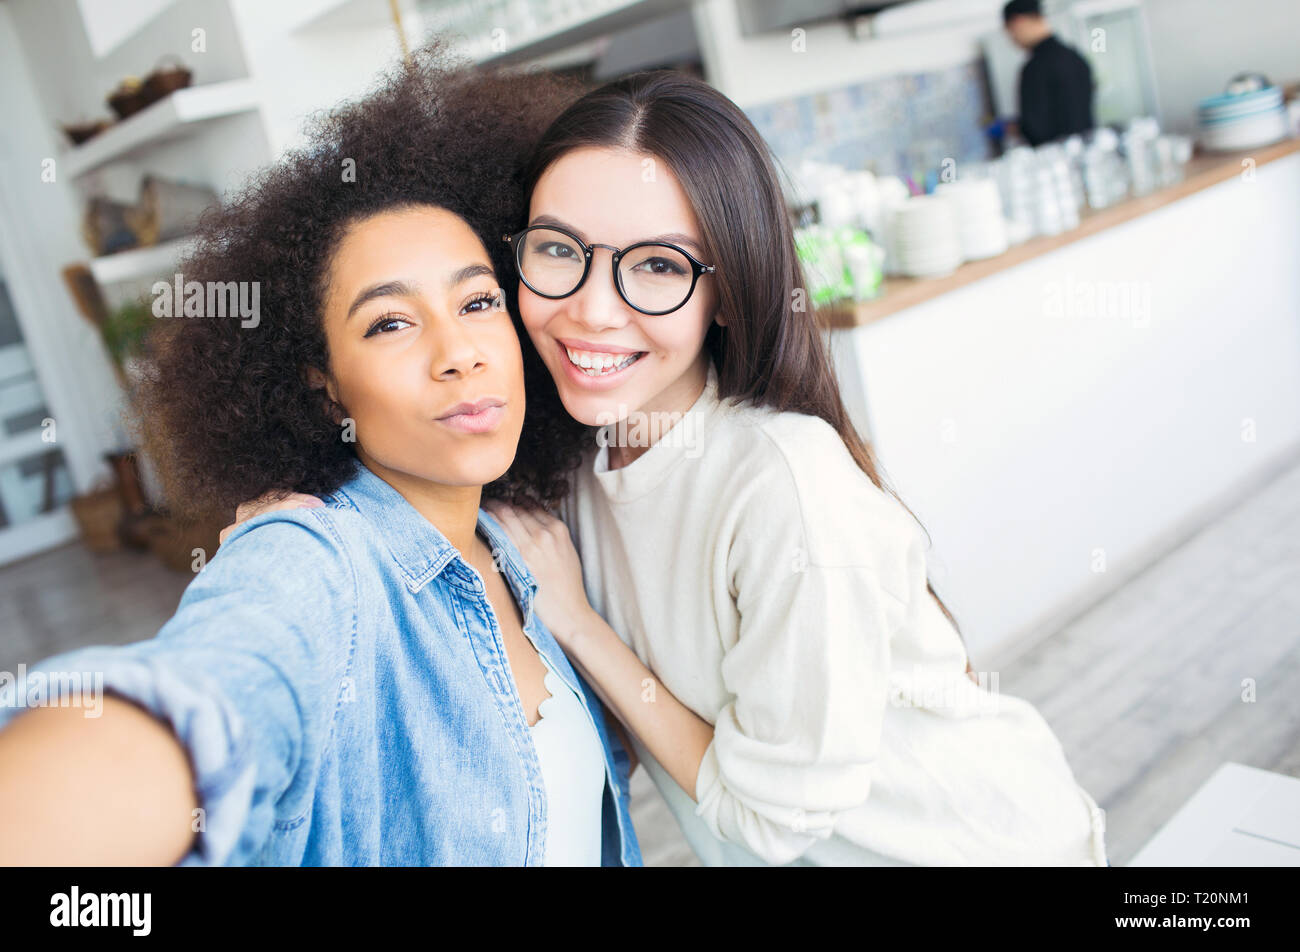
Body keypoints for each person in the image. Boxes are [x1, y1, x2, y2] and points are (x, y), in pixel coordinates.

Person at [237, 70, 1109, 866]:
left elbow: (769, 822)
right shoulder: (572, 456)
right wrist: (300, 519)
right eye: (556, 250)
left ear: (725, 291)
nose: (591, 310)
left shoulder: (783, 490)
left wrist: (579, 623)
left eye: (656, 265)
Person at [0, 45, 640, 867]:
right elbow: (212, 689)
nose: (459, 353)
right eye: (389, 323)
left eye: (478, 301)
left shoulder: (525, 538)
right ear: (326, 390)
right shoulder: (309, 565)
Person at [1004, 0, 1095, 146]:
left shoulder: (1034, 69)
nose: (1013, 40)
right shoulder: (1075, 57)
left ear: (1018, 22)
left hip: (1057, 161)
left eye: (1011, 33)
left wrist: (1013, 128)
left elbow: (1035, 129)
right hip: (1087, 150)